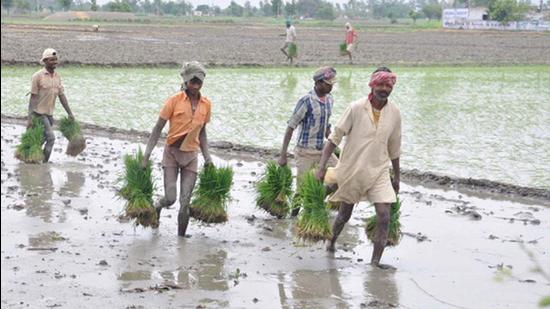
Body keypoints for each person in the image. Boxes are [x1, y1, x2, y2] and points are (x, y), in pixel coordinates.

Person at [315, 67, 401, 269]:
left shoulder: (395, 113)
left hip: (379, 170)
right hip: (353, 169)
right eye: (380, 84)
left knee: (384, 215)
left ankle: (374, 262)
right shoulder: (356, 108)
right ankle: (332, 240)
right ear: (372, 85)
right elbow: (334, 138)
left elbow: (395, 147)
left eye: (388, 86)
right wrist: (321, 167)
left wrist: (397, 177)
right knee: (345, 214)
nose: (384, 89)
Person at [142, 61, 213, 237]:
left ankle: (181, 239)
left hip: (191, 156)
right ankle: (157, 207)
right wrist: (146, 156)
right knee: (171, 198)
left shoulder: (206, 104)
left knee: (185, 202)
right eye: (192, 82)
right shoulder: (174, 101)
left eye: (199, 82)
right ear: (186, 82)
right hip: (172, 155)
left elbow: (202, 133)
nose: (195, 86)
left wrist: (208, 158)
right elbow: (157, 128)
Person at [278, 66, 338, 216]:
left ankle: (316, 197)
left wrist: (334, 143)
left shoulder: (330, 100)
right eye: (327, 83)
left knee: (341, 174)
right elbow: (291, 127)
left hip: (323, 149)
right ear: (318, 83)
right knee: (301, 188)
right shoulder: (306, 101)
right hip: (305, 151)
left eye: (332, 83)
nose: (331, 86)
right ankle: (293, 216)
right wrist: (283, 154)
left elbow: (326, 125)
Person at [28, 48, 75, 163]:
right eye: (51, 60)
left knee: (41, 139)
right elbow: (33, 98)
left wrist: (70, 113)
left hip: (49, 115)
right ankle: (44, 164)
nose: (54, 62)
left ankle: (31, 158)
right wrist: (29, 118)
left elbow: (61, 96)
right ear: (44, 61)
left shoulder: (57, 77)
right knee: (51, 138)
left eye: (55, 60)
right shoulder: (37, 76)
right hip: (39, 114)